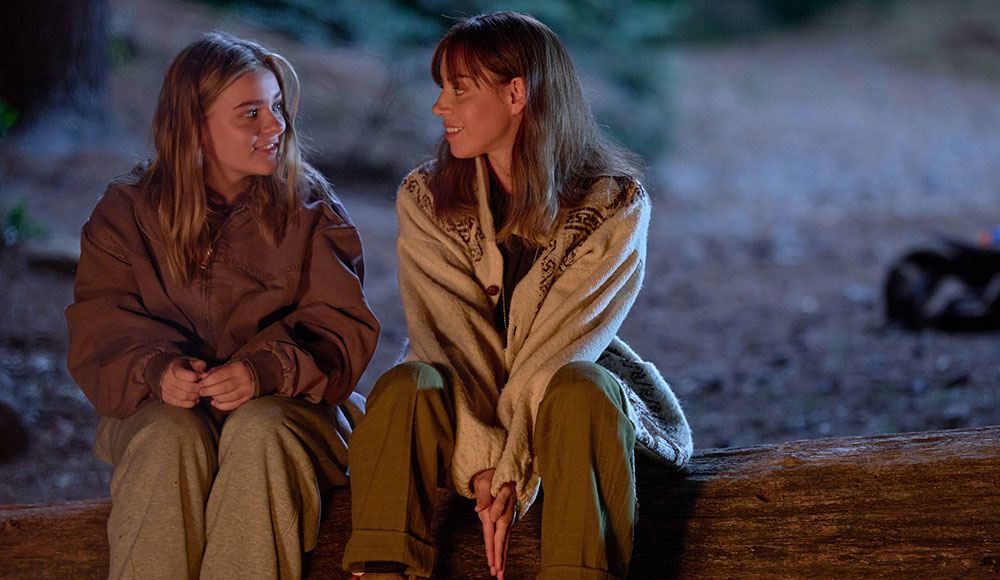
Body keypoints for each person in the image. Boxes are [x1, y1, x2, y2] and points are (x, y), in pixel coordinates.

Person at [343, 12, 691, 580]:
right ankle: (383, 570)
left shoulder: (614, 205)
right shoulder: (427, 200)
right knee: (406, 384)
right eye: (441, 88)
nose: (440, 107)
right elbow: (450, 341)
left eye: (459, 88)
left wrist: (511, 472)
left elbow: (557, 350)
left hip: (567, 411)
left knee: (580, 386)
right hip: (466, 406)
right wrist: (483, 467)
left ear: (515, 93)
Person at [66, 32, 380, 580]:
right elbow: (99, 326)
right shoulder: (127, 213)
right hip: (158, 412)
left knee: (257, 431)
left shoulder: (313, 212)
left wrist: (263, 371)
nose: (275, 126)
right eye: (250, 113)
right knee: (169, 437)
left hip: (292, 412)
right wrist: (156, 371)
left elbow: (341, 330)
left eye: (277, 107)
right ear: (194, 126)